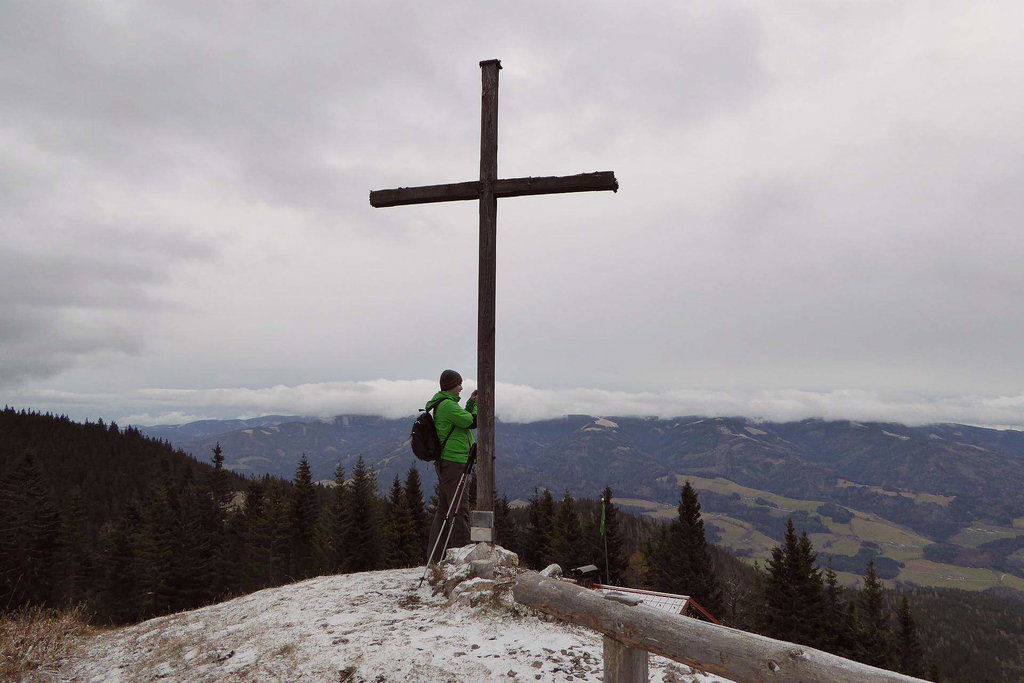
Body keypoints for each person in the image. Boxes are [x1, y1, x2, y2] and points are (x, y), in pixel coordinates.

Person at [425, 369, 478, 561]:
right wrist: (477, 406)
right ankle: (462, 555)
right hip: (455, 462)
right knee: (458, 509)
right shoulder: (447, 405)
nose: (461, 388)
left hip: (448, 462)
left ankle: (436, 556)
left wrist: (470, 403)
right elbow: (472, 422)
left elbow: (462, 420)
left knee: (445, 510)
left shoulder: (445, 404)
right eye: (458, 384)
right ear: (451, 386)